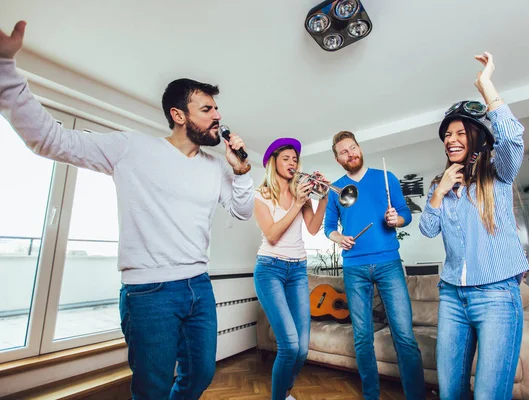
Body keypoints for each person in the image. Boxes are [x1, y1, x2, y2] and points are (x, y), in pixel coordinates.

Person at [0, 21, 254, 400]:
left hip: (199, 286)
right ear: (179, 115)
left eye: (217, 108)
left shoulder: (216, 166)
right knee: (151, 389)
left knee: (199, 376)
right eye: (207, 108)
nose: (218, 115)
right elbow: (49, 139)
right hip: (149, 292)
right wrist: (5, 69)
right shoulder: (132, 149)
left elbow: (243, 212)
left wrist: (241, 173)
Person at [419, 51, 529, 400]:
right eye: (447, 135)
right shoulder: (444, 184)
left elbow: (512, 139)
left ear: (476, 136)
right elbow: (427, 230)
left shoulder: (498, 175)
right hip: (452, 295)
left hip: (497, 294)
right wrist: (437, 193)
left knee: (488, 395)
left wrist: (487, 87)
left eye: (459, 133)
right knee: (449, 391)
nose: (450, 139)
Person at [324, 131, 426, 400]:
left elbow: (405, 215)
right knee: (362, 337)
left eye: (353, 147)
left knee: (403, 335)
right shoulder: (336, 189)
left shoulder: (386, 177)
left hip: (388, 264)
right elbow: (328, 228)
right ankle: (371, 396)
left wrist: (397, 220)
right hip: (354, 268)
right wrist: (339, 238)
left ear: (360, 148)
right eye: (344, 152)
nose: (351, 153)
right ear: (338, 159)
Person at [253, 138, 328, 400]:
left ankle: (284, 391)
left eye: (295, 159)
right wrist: (297, 203)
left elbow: (313, 228)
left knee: (303, 349)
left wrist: (324, 197)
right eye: (286, 158)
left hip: (297, 271)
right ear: (273, 162)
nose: (292, 163)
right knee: (289, 346)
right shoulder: (260, 196)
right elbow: (272, 235)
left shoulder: (302, 195)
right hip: (269, 270)